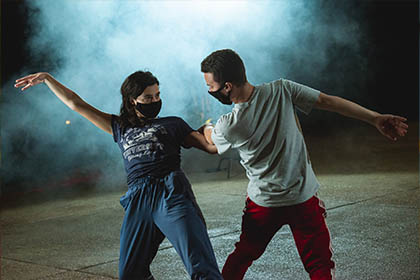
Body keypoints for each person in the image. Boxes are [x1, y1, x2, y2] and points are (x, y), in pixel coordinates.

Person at [198, 49, 408, 280]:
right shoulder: (282, 89)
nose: (209, 90)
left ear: (227, 86)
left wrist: (208, 126)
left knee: (243, 256)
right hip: (302, 199)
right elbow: (329, 101)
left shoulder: (229, 124)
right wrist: (374, 118)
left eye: (211, 86)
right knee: (319, 266)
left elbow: (211, 142)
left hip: (263, 204)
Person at [14, 71, 223, 280]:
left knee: (201, 265)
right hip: (138, 198)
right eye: (148, 97)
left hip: (170, 192)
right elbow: (76, 103)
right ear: (133, 101)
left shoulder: (173, 124)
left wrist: (209, 127)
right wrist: (48, 79)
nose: (155, 101)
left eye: (158, 95)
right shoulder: (120, 126)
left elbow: (210, 146)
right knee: (130, 274)